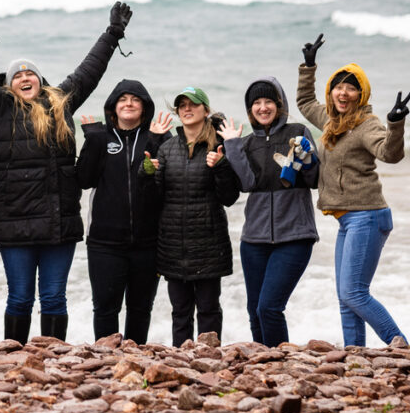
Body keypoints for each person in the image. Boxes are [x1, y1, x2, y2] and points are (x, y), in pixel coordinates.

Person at [0, 0, 130, 344]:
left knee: (54, 296)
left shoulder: (60, 104)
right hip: (15, 223)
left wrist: (112, 34)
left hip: (58, 221)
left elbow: (90, 71)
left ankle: (52, 359)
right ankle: (16, 355)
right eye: (18, 76)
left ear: (41, 80)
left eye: (31, 73)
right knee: (20, 298)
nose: (25, 77)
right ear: (10, 86)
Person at [296, 34, 407, 347]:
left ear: (361, 93)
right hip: (350, 219)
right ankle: (354, 356)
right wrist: (309, 67)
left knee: (354, 293)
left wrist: (395, 124)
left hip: (368, 216)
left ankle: (400, 346)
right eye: (338, 86)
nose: (343, 93)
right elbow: (305, 103)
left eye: (351, 87)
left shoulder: (366, 124)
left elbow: (390, 154)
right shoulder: (332, 120)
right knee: (346, 296)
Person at [218, 77, 319, 347]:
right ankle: (264, 362)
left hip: (295, 235)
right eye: (256, 103)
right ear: (250, 109)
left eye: (268, 102)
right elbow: (247, 184)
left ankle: (281, 361)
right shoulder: (248, 143)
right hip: (254, 239)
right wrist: (232, 146)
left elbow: (314, 180)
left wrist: (308, 159)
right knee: (255, 311)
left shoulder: (298, 131)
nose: (263, 108)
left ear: (279, 104)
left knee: (269, 309)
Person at [141, 87, 240, 347]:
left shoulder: (216, 146)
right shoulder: (167, 148)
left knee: (208, 308)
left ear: (205, 110)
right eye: (182, 105)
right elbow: (154, 200)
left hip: (208, 242)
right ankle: (180, 359)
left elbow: (229, 197)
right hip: (173, 243)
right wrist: (147, 174)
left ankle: (209, 357)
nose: (187, 109)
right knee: (180, 311)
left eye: (193, 104)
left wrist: (221, 167)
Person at [77, 80, 171, 344]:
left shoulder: (159, 136)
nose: (129, 104)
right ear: (113, 107)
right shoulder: (102, 138)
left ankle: (136, 357)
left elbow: (167, 185)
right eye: (122, 99)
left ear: (144, 107)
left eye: (135, 99)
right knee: (106, 307)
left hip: (148, 242)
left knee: (141, 308)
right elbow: (83, 179)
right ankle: (106, 361)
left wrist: (156, 139)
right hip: (105, 242)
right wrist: (93, 140)